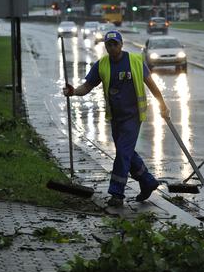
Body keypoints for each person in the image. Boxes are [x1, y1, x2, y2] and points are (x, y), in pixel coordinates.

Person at [63, 30, 170, 207]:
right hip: (116, 117)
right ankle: (148, 181)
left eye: (115, 44)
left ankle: (117, 193)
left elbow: (151, 85)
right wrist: (73, 91)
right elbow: (87, 87)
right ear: (106, 47)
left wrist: (163, 105)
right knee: (126, 152)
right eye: (109, 45)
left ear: (121, 45)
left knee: (122, 153)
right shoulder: (102, 64)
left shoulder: (135, 61)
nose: (112, 48)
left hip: (133, 116)